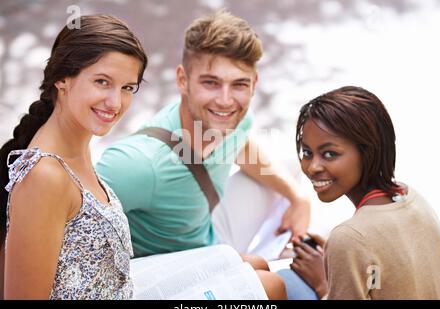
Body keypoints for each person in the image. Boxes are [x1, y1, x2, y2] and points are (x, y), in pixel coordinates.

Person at [96, 10, 310, 263]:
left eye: (239, 84)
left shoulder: (236, 121)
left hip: (207, 231)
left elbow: (241, 147)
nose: (225, 101)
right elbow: (73, 236)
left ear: (254, 83)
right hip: (175, 271)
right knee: (272, 279)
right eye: (211, 83)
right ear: (182, 80)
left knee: (293, 167)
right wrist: (238, 264)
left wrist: (297, 198)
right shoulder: (137, 165)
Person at [0, 15, 148, 299]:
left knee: (245, 269)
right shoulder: (44, 176)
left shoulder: (76, 147)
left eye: (127, 88)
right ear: (62, 79)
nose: (115, 103)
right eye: (102, 82)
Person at [279, 86, 440, 299]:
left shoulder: (348, 238)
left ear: (368, 153)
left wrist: (323, 283)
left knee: (284, 280)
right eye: (307, 152)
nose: (312, 167)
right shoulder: (412, 197)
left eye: (330, 154)